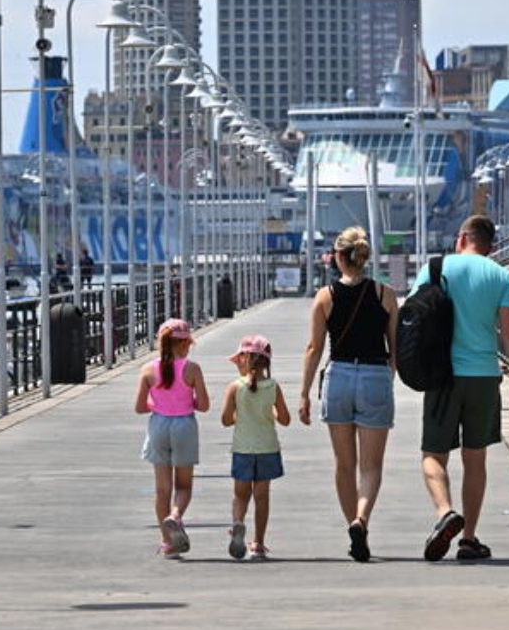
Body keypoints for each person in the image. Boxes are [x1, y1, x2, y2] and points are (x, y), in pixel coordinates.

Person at [415, 214, 509, 562]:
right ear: (490, 246)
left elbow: (414, 317)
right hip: (483, 376)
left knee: (434, 454)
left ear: (462, 237)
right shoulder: (500, 275)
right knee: (475, 457)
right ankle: (468, 539)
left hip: (443, 375)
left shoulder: (435, 269)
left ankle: (445, 512)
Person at [299, 226, 399, 562]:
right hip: (374, 375)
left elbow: (314, 348)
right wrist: (390, 378)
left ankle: (354, 529)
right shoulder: (385, 294)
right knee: (371, 467)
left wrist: (304, 393)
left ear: (338, 258)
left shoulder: (324, 297)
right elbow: (395, 346)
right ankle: (362, 519)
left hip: (338, 375)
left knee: (344, 465)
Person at [134, 318, 210, 559]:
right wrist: (188, 402)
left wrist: (158, 404)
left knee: (162, 489)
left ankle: (167, 543)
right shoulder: (192, 369)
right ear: (186, 343)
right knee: (184, 486)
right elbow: (204, 405)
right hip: (184, 425)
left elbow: (139, 407)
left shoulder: (147, 369)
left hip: (158, 425)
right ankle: (175, 516)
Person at [221, 335, 290, 560]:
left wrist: (238, 414)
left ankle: (238, 523)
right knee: (262, 497)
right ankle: (258, 543)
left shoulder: (234, 387)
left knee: (240, 496)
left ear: (244, 359)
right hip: (267, 448)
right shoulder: (273, 387)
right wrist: (270, 412)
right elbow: (285, 419)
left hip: (243, 449)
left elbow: (226, 420)